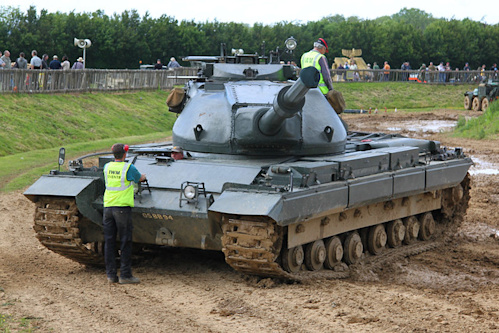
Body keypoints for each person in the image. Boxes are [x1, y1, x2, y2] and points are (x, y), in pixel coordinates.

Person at [103, 143, 146, 284]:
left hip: (108, 207)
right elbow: (138, 178)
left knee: (109, 241)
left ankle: (111, 275)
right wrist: (143, 177)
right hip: (122, 208)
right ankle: (126, 275)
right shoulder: (128, 168)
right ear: (125, 154)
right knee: (125, 241)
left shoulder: (107, 167)